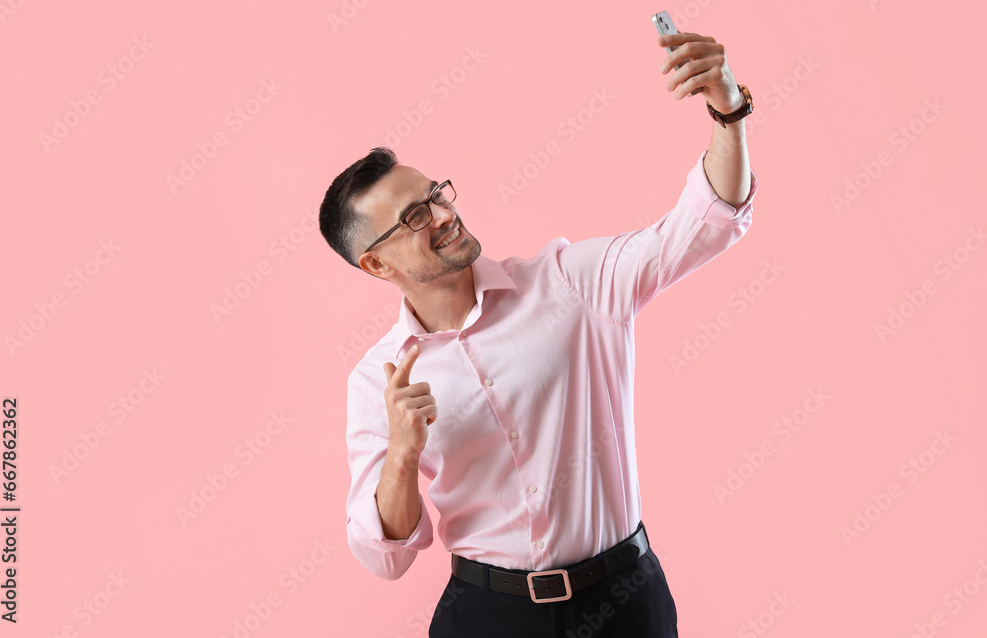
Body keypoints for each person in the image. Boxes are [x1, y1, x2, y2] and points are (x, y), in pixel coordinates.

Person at [320, 31, 758, 637]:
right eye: (415, 218)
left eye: (436, 196)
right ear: (375, 263)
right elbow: (384, 555)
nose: (445, 216)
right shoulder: (380, 380)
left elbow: (699, 226)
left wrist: (727, 112)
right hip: (489, 616)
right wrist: (402, 455)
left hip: (625, 599)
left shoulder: (569, 283)